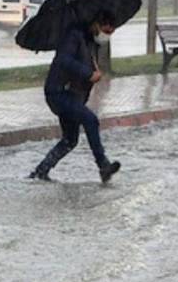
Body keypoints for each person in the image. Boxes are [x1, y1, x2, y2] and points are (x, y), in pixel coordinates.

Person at [29, 10, 121, 183]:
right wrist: (88, 74)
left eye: (111, 33)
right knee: (90, 120)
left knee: (70, 140)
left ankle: (40, 172)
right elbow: (63, 60)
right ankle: (103, 166)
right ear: (97, 24)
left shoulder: (90, 41)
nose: (107, 36)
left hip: (73, 96)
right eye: (106, 31)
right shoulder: (74, 35)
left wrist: (93, 73)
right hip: (58, 92)